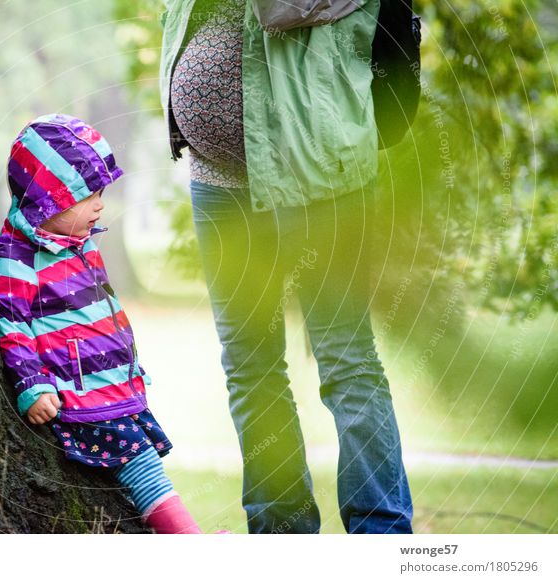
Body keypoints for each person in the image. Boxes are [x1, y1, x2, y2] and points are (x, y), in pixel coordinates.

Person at [159, 0, 414, 533]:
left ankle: (383, 535)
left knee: (346, 358)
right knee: (249, 362)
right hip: (219, 182)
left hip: (316, 177)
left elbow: (279, 9)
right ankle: (280, 537)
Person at [0, 113, 203, 534]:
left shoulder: (77, 246)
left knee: (141, 468)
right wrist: (33, 386)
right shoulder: (17, 260)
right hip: (81, 400)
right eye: (89, 195)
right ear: (51, 197)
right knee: (143, 469)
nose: (101, 203)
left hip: (110, 388)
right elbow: (12, 326)